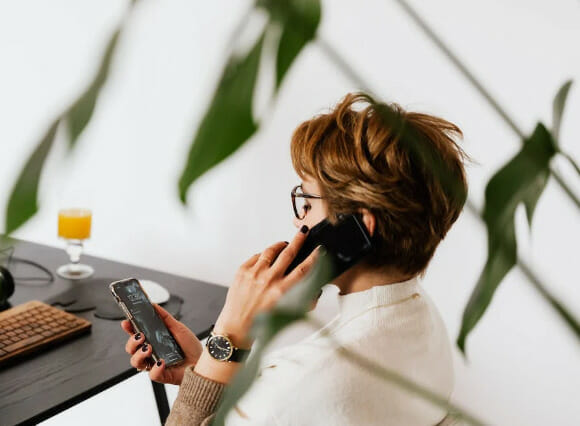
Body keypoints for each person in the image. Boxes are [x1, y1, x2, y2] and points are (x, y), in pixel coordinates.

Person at [121, 92, 468, 425]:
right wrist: (208, 365)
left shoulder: (301, 384)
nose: (298, 220)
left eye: (307, 203)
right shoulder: (422, 320)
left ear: (358, 226)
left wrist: (230, 332)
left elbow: (287, 404)